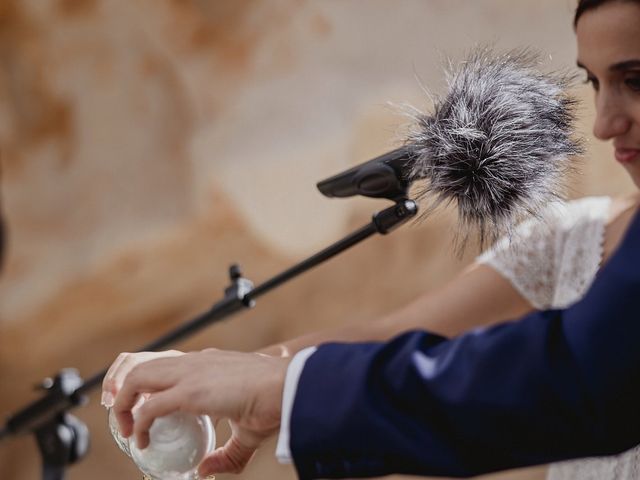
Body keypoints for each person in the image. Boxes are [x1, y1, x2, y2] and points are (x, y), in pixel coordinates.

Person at [102, 0, 640, 478]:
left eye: (634, 79)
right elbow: (393, 334)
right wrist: (215, 373)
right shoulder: (573, 235)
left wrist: (284, 391)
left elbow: (570, 379)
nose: (604, 122)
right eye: (594, 82)